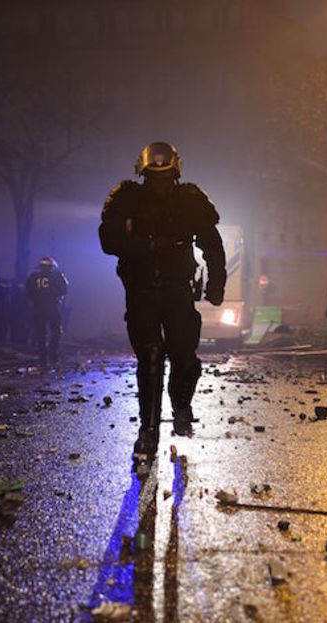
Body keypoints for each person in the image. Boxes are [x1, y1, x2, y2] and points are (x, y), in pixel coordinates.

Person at [100, 141, 226, 467]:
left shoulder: (190, 199)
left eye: (165, 175)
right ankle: (149, 430)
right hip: (141, 289)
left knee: (184, 355)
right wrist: (135, 230)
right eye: (154, 175)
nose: (158, 182)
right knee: (151, 355)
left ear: (175, 172)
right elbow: (107, 238)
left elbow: (212, 242)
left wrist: (216, 283)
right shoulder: (127, 196)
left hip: (177, 289)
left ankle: (181, 406)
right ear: (143, 172)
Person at [24, 256, 68, 366]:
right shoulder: (58, 276)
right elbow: (64, 290)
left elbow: (27, 292)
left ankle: (43, 358)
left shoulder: (33, 277)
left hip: (37, 309)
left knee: (40, 334)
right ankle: (52, 354)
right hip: (53, 308)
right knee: (56, 331)